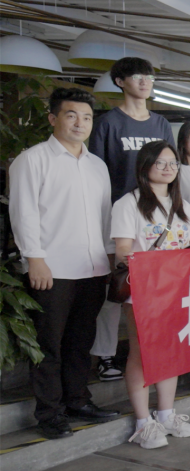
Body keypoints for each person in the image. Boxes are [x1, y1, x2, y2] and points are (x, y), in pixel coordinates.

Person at [11, 88, 121, 439]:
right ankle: (50, 413)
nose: (80, 123)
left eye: (86, 117)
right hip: (51, 269)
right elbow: (23, 213)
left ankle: (78, 400)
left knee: (80, 341)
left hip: (92, 268)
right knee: (49, 345)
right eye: (71, 115)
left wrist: (108, 258)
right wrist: (34, 259)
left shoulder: (96, 165)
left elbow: (105, 216)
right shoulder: (33, 160)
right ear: (53, 118)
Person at [89, 57, 176, 382]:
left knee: (155, 287)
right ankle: (105, 354)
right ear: (120, 81)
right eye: (137, 76)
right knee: (117, 284)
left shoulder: (160, 123)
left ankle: (153, 348)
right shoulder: (108, 123)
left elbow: (171, 166)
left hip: (155, 215)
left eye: (149, 77)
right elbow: (97, 173)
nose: (144, 82)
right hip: (118, 214)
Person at [112, 140, 190, 449]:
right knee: (141, 353)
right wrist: (150, 261)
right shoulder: (128, 203)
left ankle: (166, 415)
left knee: (170, 352)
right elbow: (122, 250)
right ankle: (143, 423)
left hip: (177, 290)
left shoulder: (182, 205)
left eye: (173, 163)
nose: (168, 168)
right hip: (144, 292)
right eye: (160, 162)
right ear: (145, 166)